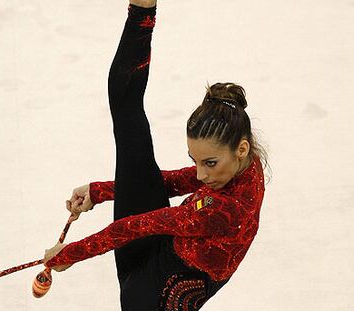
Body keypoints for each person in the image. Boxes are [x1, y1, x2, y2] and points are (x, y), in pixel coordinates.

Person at [44, 1, 269, 310]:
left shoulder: (221, 211)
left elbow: (133, 227)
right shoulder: (245, 163)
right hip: (165, 249)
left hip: (150, 294)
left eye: (210, 163)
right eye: (196, 161)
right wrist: (101, 191)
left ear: (239, 149)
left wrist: (70, 254)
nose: (201, 175)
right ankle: (142, 11)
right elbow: (175, 182)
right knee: (127, 111)